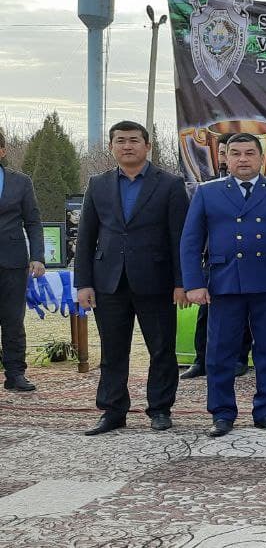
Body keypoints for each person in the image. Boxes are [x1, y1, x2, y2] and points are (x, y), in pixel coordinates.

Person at [180, 132, 266, 437]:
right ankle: (222, 413)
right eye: (235, 153)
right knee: (220, 352)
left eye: (249, 153)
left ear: (261, 158)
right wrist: (194, 283)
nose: (243, 159)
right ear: (225, 157)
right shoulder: (207, 192)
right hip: (224, 282)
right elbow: (191, 241)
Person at [75, 120, 190, 435]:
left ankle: (160, 409)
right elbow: (85, 237)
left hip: (156, 280)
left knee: (161, 349)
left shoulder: (170, 184)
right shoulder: (98, 184)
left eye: (134, 140)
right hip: (108, 281)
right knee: (112, 350)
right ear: (111, 146)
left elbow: (180, 237)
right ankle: (112, 411)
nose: (127, 146)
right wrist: (83, 283)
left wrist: (182, 282)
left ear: (147, 146)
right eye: (120, 140)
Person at [182, 142, 251, 380]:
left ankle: (240, 358)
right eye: (222, 153)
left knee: (244, 314)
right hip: (213, 261)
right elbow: (194, 229)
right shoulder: (207, 187)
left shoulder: (256, 187)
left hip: (245, 262)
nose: (223, 157)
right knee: (205, 313)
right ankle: (201, 359)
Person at [0, 129, 44, 393]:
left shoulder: (21, 182)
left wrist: (37, 256)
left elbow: (33, 222)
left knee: (13, 320)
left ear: (2, 151)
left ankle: (15, 373)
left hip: (12, 263)